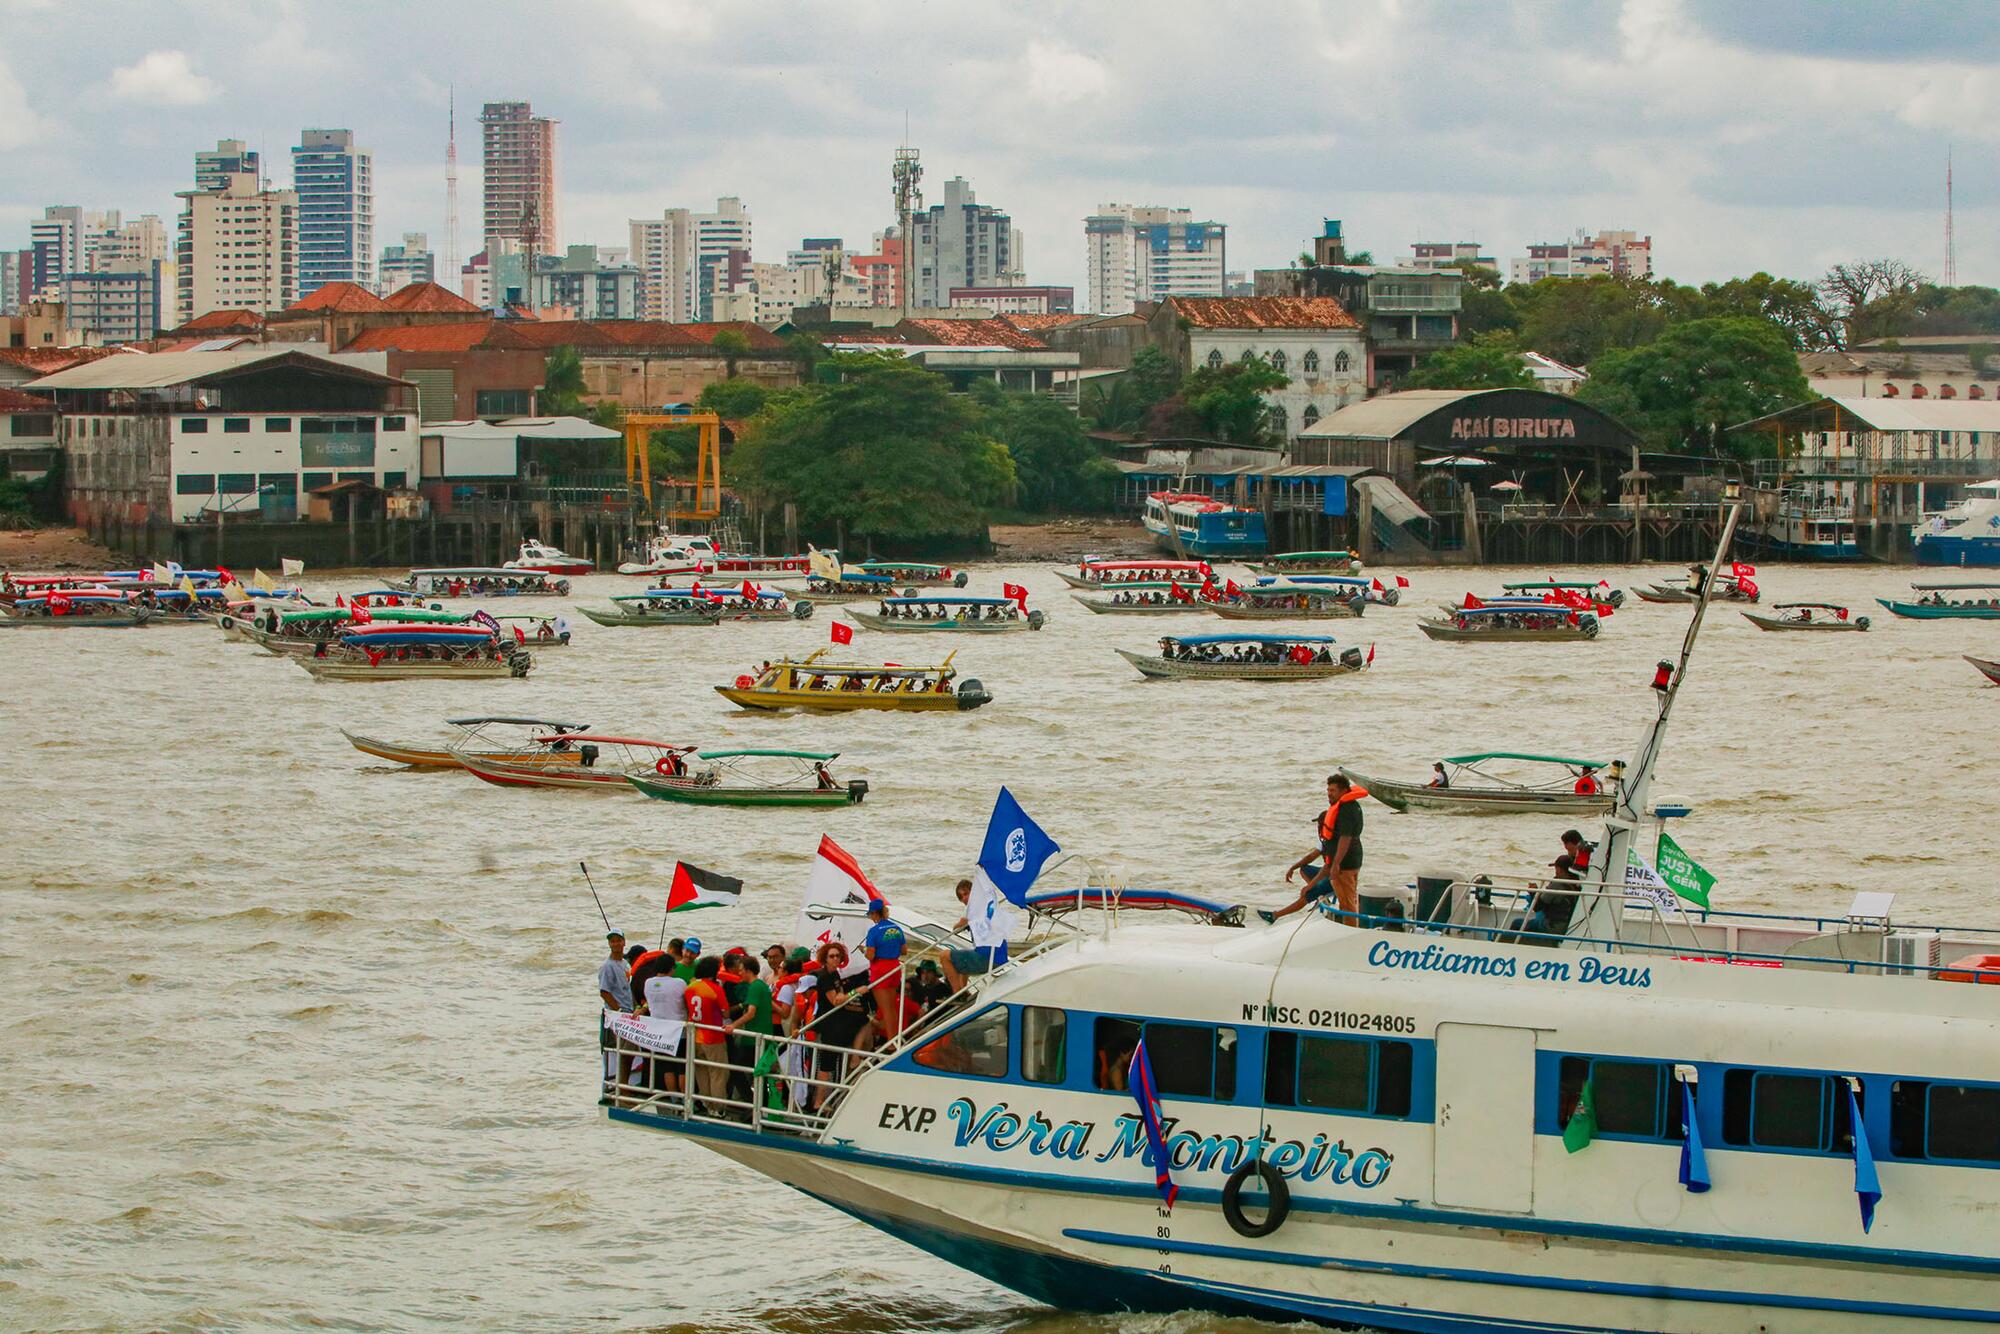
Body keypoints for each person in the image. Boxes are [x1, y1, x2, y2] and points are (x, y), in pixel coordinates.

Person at [1261, 773, 1365, 924]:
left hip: (1344, 865)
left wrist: (1336, 864)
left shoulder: (1346, 810)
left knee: (1347, 904)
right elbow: (1320, 861)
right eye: (1328, 790)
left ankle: (1350, 932)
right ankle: (1319, 901)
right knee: (1345, 899)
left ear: (1343, 791)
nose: (1329, 794)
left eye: (1333, 791)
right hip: (1343, 863)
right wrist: (1299, 871)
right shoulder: (1346, 808)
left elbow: (1346, 838)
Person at [723, 953, 776, 1108]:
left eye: (741, 970)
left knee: (736, 1069)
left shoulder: (754, 988)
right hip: (765, 1035)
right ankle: (762, 1106)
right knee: (761, 1073)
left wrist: (733, 1026)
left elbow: (751, 1012)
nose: (739, 973)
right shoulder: (763, 986)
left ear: (748, 970)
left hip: (753, 1039)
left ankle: (751, 1102)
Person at [684, 957, 733, 1117]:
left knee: (701, 1072)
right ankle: (719, 1108)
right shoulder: (715, 989)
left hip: (695, 1035)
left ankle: (707, 1104)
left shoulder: (690, 987)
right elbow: (725, 1012)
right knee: (718, 1073)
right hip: (713, 1036)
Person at [861, 900, 908, 1040]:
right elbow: (904, 951)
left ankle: (891, 1042)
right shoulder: (897, 928)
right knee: (891, 1008)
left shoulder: (873, 931)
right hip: (895, 967)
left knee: (885, 1009)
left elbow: (871, 955)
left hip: (880, 969)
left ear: (875, 914)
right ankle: (895, 1038)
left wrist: (863, 950)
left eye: (871, 915)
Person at [597, 931, 633, 1013]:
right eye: (612, 941)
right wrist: (618, 1011)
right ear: (609, 944)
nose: (616, 944)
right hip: (615, 1014)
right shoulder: (607, 966)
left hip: (629, 1011)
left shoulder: (625, 963)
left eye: (619, 941)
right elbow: (604, 992)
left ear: (624, 942)